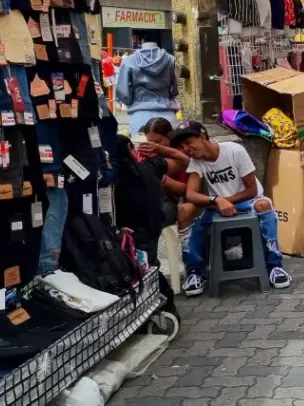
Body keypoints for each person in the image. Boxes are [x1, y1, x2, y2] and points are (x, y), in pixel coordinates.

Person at [170, 121, 291, 295]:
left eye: (189, 143)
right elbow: (190, 194)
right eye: (182, 146)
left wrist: (225, 201)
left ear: (202, 137)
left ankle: (274, 266)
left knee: (264, 205)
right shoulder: (197, 162)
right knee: (186, 211)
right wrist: (217, 200)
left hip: (247, 201)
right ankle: (195, 271)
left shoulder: (234, 151)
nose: (186, 149)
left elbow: (252, 190)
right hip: (217, 207)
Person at [115, 134, 189, 319]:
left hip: (132, 233)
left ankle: (162, 306)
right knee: (148, 265)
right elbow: (183, 160)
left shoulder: (116, 176)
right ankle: (160, 305)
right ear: (132, 150)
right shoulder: (150, 166)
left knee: (145, 268)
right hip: (151, 227)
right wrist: (159, 150)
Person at [116, 39, 179, 135]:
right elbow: (176, 88)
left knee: (141, 143)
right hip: (168, 114)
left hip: (140, 114)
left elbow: (123, 92)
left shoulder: (129, 61)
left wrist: (131, 101)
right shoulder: (171, 60)